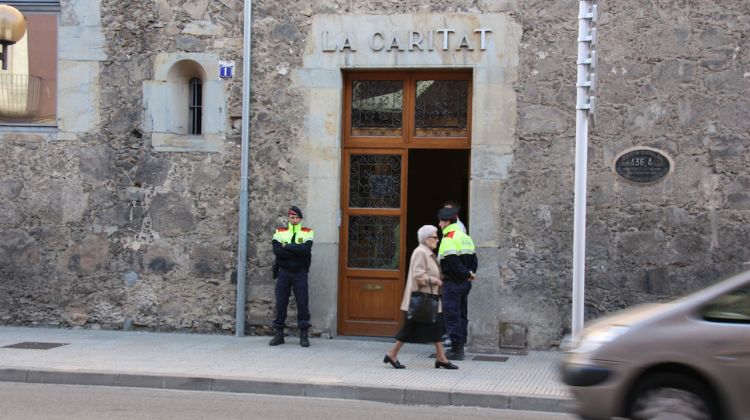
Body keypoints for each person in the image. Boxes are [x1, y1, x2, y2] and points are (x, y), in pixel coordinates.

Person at [383, 225, 458, 370]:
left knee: (436, 329)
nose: (437, 240)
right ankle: (392, 354)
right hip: (422, 300)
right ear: (425, 239)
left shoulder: (427, 252)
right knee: (410, 330)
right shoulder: (420, 253)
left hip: (429, 299)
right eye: (434, 237)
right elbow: (418, 276)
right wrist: (435, 281)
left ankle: (441, 358)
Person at [269, 206, 314, 347]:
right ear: (289, 218)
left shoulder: (307, 232)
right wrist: (295, 249)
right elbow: (278, 252)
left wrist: (287, 246)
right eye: (292, 217)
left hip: (300, 273)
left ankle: (304, 334)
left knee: (302, 303)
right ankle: (279, 334)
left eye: (297, 218)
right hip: (284, 273)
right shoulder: (280, 232)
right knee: (281, 303)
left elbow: (305, 250)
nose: (294, 220)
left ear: (300, 219)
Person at [437, 206, 478, 360]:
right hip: (465, 283)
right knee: (461, 314)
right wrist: (470, 274)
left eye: (441, 222)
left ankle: (456, 350)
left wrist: (465, 273)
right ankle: (460, 346)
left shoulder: (448, 239)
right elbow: (474, 260)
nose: (439, 225)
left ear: (447, 222)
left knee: (452, 315)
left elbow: (453, 264)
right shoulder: (465, 237)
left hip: (452, 283)